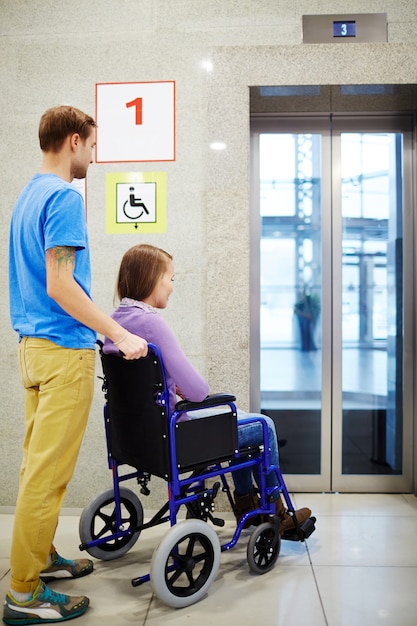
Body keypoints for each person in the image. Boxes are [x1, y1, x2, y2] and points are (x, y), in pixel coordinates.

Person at [4, 106, 148, 626]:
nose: (94, 154)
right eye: (92, 144)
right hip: (63, 351)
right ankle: (23, 594)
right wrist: (120, 332)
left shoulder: (27, 195)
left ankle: (41, 558)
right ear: (72, 141)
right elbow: (61, 284)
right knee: (48, 475)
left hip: (32, 349)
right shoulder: (64, 196)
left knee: (34, 467)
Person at [103, 244, 311, 533]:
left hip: (135, 437)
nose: (172, 288)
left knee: (238, 427)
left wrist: (171, 387)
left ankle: (247, 505)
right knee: (263, 425)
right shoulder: (150, 322)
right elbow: (199, 392)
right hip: (175, 434)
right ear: (152, 278)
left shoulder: (115, 321)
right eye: (170, 279)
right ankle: (276, 509)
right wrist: (185, 390)